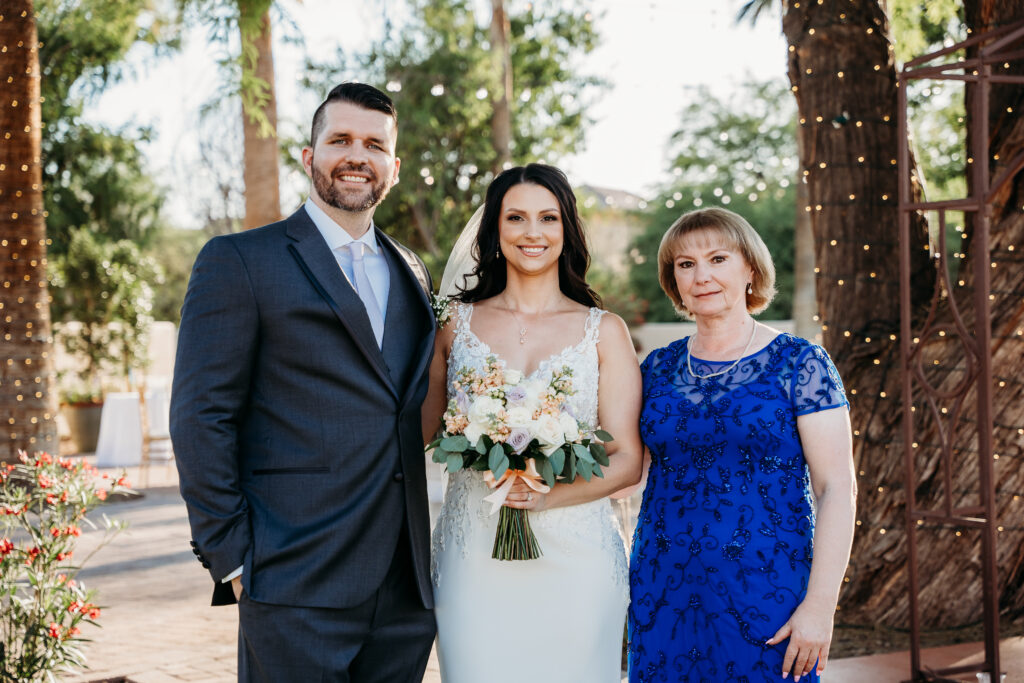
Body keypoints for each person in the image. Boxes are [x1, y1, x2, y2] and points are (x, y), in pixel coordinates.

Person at [170, 82, 437, 683]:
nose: (356, 156)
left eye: (374, 144)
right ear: (308, 155)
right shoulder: (239, 261)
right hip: (292, 580)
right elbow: (200, 417)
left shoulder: (412, 269)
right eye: (339, 139)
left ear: (393, 167)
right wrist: (233, 559)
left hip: (404, 589)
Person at [421, 163, 644, 682]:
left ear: (566, 229)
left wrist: (548, 496)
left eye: (548, 217)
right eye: (516, 217)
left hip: (578, 560)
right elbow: (426, 433)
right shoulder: (454, 324)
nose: (532, 232)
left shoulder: (603, 331)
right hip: (474, 555)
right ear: (495, 230)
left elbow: (629, 460)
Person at [628, 207, 856, 683]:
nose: (701, 275)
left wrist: (820, 608)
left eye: (717, 258)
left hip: (768, 593)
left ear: (749, 267)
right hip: (662, 589)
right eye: (685, 264)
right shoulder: (656, 369)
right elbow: (626, 470)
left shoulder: (800, 363)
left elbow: (837, 488)